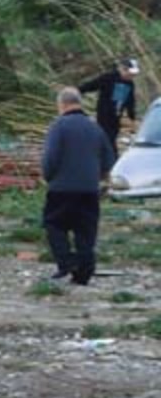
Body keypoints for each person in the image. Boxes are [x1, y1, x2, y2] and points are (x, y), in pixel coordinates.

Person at [41, 87, 115, 286]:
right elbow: (108, 158)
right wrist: (101, 179)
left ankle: (67, 262)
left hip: (62, 189)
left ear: (62, 104)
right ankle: (85, 272)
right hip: (89, 190)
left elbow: (51, 158)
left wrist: (48, 177)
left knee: (54, 224)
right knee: (85, 230)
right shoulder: (95, 128)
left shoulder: (59, 126)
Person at [79, 57, 140, 156]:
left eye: (133, 74)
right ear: (122, 68)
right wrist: (77, 90)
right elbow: (91, 85)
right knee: (108, 140)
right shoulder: (109, 78)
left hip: (116, 118)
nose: (131, 76)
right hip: (104, 115)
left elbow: (130, 102)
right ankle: (112, 161)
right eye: (129, 72)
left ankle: (108, 160)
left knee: (110, 139)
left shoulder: (130, 84)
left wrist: (132, 117)